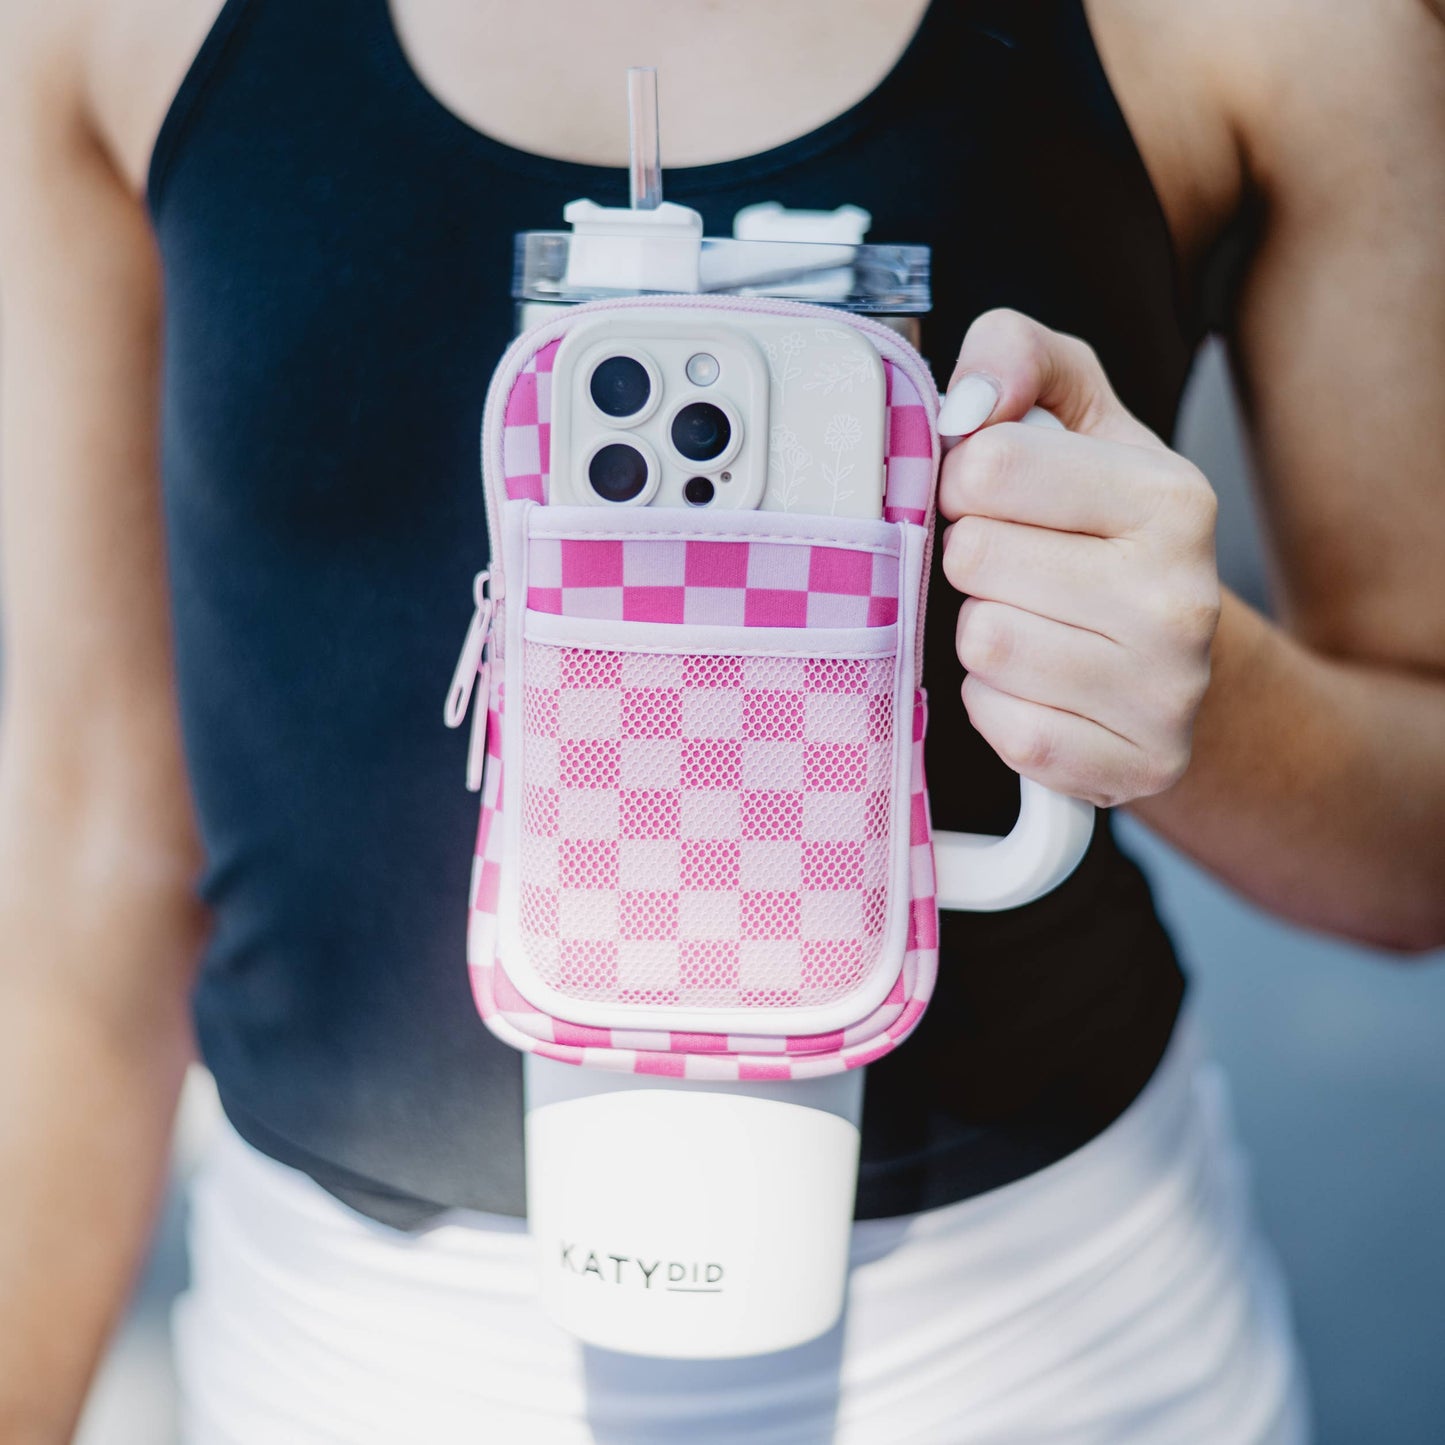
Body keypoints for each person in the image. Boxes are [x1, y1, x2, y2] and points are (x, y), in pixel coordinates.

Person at [1, 0, 1441, 1439]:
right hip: (339, 1369)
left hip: (1042, 1371)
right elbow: (85, 873)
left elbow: (1416, 852)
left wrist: (1184, 688)